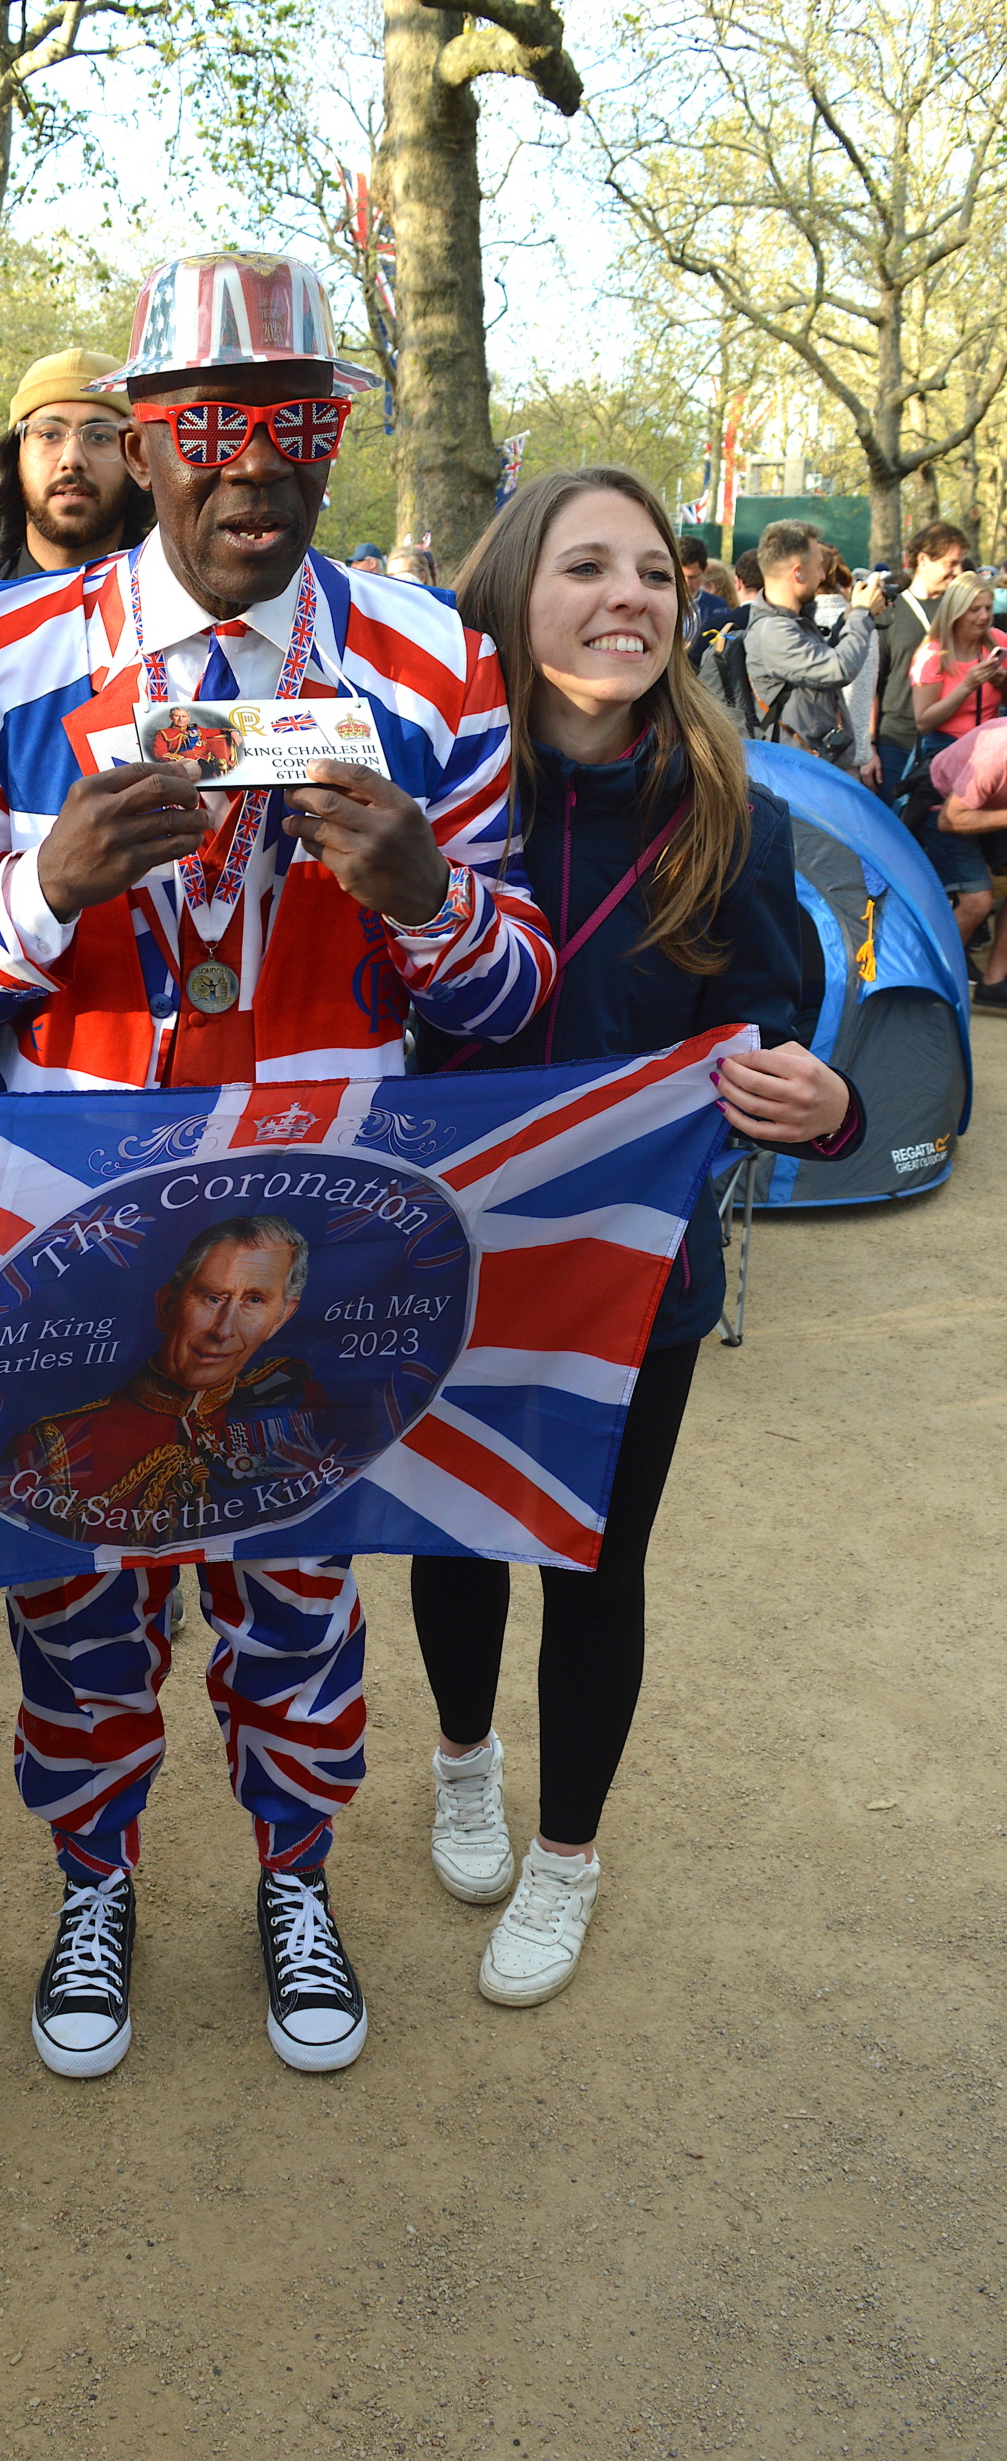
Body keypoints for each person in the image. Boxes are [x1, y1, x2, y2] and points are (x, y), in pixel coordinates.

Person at [0, 247, 557, 2081]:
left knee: (296, 1567)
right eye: (209, 430)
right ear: (144, 444)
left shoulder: (434, 661)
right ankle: (94, 1875)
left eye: (293, 424)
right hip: (73, 1209)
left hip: (323, 1215)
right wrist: (49, 882)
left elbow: (507, 1005)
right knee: (77, 1571)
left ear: (335, 441)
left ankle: (296, 1873)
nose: (252, 468)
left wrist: (425, 897)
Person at [408, 464, 864, 2009]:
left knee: (595, 1563)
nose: (630, 598)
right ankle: (461, 1764)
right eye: (586, 566)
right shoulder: (433, 795)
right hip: (442, 1247)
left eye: (656, 572)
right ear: (508, 593)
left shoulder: (723, 807)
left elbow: (776, 1026)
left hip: (630, 1266)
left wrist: (816, 1098)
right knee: (458, 1527)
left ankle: (567, 1857)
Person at [4, 1214, 330, 1539]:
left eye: (254, 1301)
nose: (223, 1330)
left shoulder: (296, 1406)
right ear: (166, 1305)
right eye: (212, 1297)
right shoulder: (59, 1446)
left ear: (280, 1318)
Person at [0, 348, 153, 582]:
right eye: (49, 435)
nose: (72, 460)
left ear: (136, 458)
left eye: (99, 436)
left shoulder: (187, 614)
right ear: (15, 458)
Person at [744, 519, 881, 763]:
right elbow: (839, 668)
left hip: (813, 767)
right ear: (797, 572)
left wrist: (849, 618)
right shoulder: (772, 630)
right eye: (819, 567)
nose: (821, 576)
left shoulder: (792, 621)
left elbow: (825, 659)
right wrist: (862, 613)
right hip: (798, 776)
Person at [909, 717, 1007, 1003]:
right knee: (976, 901)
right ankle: (925, 985)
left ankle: (995, 982)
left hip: (990, 805)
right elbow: (951, 819)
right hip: (944, 805)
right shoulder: (997, 753)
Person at [871, 519, 967, 797]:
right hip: (896, 742)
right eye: (951, 563)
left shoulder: (963, 612)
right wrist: (869, 748)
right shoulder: (890, 612)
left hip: (951, 740)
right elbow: (874, 683)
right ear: (923, 559)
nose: (959, 571)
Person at [907, 571, 1006, 760]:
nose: (984, 616)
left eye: (988, 608)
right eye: (975, 610)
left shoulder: (998, 641)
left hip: (990, 751)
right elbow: (924, 723)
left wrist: (1004, 682)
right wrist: (967, 686)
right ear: (956, 612)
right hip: (945, 751)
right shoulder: (933, 655)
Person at [812, 544, 878, 778]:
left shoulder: (803, 621)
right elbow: (866, 688)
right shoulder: (863, 620)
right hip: (852, 749)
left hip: (814, 748)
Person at [677, 533, 732, 667]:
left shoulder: (719, 607)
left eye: (693, 577)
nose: (686, 583)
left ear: (705, 570)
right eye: (680, 576)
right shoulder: (661, 602)